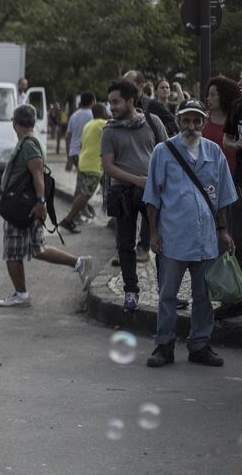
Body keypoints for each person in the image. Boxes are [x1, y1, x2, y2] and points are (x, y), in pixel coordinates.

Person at [144, 99, 238, 368]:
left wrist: (223, 230)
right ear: (178, 121)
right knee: (167, 295)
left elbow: (222, 197)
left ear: (203, 123)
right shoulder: (163, 152)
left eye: (196, 121)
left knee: (203, 296)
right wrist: (153, 233)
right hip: (173, 236)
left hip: (206, 237)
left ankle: (199, 345)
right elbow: (152, 197)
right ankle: (164, 345)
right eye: (186, 120)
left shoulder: (215, 153)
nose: (191, 126)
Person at [0, 104, 94, 308]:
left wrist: (41, 202)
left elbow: (38, 173)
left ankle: (21, 295)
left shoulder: (29, 144)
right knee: (38, 248)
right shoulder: (31, 141)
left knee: (13, 252)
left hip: (23, 207)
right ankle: (79, 263)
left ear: (15, 122)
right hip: (28, 205)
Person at [102, 80, 168, 313]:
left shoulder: (153, 122)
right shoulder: (109, 130)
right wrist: (136, 179)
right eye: (110, 102)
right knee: (125, 244)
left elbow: (167, 154)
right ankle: (131, 292)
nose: (112, 107)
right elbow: (108, 167)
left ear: (131, 101)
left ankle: (166, 292)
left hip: (154, 192)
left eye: (116, 102)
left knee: (160, 243)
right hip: (123, 193)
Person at [59, 103, 108, 233]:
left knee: (81, 193)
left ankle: (74, 218)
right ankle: (68, 219)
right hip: (94, 166)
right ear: (103, 112)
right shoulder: (103, 124)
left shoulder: (88, 125)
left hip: (83, 162)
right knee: (85, 195)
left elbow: (81, 144)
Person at [218, 82, 242, 320]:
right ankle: (235, 300)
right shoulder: (237, 107)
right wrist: (238, 145)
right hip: (241, 181)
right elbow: (227, 140)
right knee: (239, 242)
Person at [204, 76, 241, 177]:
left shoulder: (235, 119)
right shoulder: (203, 119)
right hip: (208, 174)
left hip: (232, 175)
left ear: (224, 95)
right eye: (208, 95)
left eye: (212, 95)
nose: (208, 99)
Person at [124, 70, 177, 136]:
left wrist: (160, 130)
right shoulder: (123, 105)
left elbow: (174, 122)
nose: (124, 87)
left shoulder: (152, 105)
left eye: (128, 84)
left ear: (141, 85)